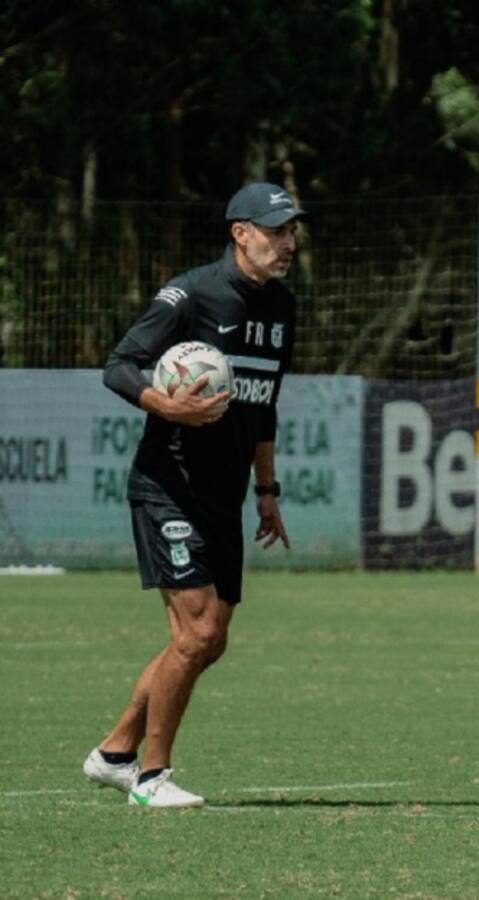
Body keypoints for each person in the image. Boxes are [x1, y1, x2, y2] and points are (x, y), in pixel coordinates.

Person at [83, 183, 304, 808]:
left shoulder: (282, 307)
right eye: (276, 231)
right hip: (167, 488)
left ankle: (114, 754)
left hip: (224, 496)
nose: (288, 243)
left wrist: (267, 490)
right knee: (197, 632)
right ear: (241, 233)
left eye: (292, 231)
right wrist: (165, 404)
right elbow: (118, 366)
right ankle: (150, 778)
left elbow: (264, 406)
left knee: (210, 638)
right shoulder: (192, 294)